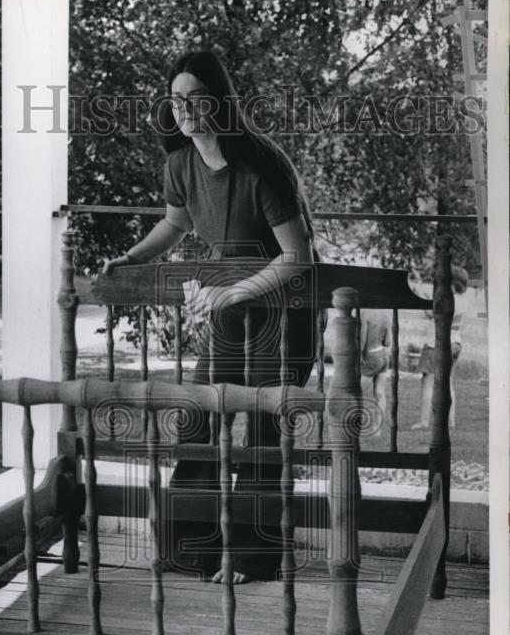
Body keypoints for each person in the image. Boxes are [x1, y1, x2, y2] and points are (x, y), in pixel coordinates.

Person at [100, 49, 317, 583]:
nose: (188, 110)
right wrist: (131, 259)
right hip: (230, 316)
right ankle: (190, 546)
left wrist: (234, 291)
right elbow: (175, 224)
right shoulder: (179, 164)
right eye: (178, 101)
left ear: (220, 100)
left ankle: (251, 557)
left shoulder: (260, 165)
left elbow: (298, 258)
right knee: (199, 418)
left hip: (284, 318)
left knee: (266, 431)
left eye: (198, 98)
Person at [411, 263, 469, 431]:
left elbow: (430, 313)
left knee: (427, 382)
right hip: (456, 343)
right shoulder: (464, 302)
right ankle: (451, 422)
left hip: (437, 345)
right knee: (448, 382)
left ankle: (423, 421)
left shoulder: (445, 300)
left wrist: (419, 294)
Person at [359, 309, 392, 430]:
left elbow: (362, 340)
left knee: (357, 393)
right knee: (380, 393)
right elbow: (387, 342)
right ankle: (377, 428)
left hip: (370, 357)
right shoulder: (386, 315)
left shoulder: (365, 313)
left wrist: (359, 355)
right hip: (383, 356)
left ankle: (354, 424)